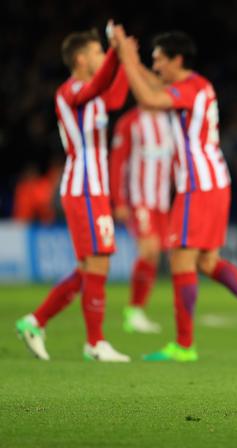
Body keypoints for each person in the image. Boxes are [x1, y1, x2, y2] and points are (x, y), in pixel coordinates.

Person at [111, 25, 237, 360]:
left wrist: (128, 61)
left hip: (198, 185)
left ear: (177, 59)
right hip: (213, 181)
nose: (156, 66)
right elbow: (154, 85)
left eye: (158, 59)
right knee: (206, 261)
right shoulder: (194, 85)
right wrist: (130, 61)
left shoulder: (189, 88)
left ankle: (184, 345)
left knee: (181, 257)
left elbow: (148, 97)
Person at [15, 23, 130, 362]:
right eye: (96, 53)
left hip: (93, 189)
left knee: (90, 268)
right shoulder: (70, 92)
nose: (101, 58)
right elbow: (100, 86)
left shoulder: (92, 95)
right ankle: (95, 343)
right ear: (81, 58)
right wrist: (115, 51)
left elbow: (117, 96)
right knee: (97, 264)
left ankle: (35, 321)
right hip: (83, 188)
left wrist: (121, 60)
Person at [110, 105, 174, 334]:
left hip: (162, 201)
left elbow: (174, 161)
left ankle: (137, 310)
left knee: (156, 255)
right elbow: (117, 162)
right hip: (139, 199)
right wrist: (118, 201)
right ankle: (133, 311)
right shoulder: (131, 122)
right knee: (149, 249)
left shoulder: (169, 120)